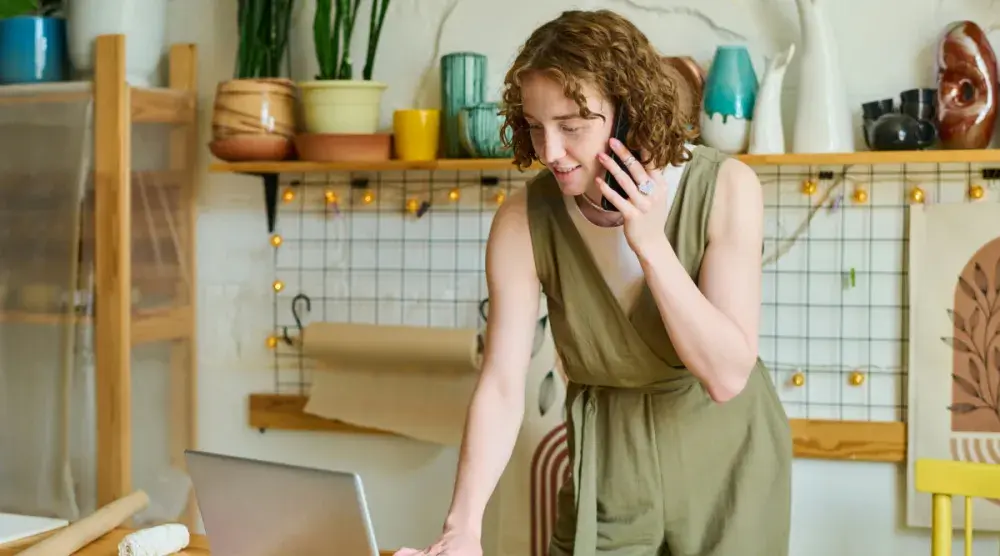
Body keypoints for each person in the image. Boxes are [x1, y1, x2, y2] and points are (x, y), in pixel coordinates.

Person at [395, 9, 792, 556]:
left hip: (727, 456)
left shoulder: (726, 187)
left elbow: (726, 375)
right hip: (606, 461)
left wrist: (651, 244)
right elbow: (503, 384)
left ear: (629, 114)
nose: (549, 152)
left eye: (572, 126)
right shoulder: (521, 220)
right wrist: (462, 526)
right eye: (536, 126)